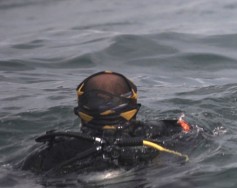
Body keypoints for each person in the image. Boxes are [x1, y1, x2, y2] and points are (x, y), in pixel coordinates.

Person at [20, 71, 192, 175]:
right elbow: (194, 136)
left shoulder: (52, 150)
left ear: (80, 112)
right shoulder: (162, 131)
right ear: (134, 109)